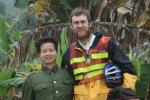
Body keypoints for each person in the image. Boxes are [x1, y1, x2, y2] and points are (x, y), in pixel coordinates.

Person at [62, 7, 137, 100]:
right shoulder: (69, 53)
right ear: (71, 27)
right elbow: (66, 84)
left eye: (83, 22)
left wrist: (125, 94)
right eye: (76, 23)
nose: (80, 25)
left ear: (90, 24)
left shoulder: (106, 44)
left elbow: (129, 70)